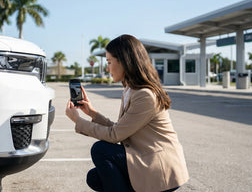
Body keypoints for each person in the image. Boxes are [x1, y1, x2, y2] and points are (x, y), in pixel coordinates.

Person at [65, 34, 189, 192]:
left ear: (124, 61)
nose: (107, 68)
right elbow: (122, 129)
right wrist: (92, 113)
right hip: (144, 157)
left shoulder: (145, 95)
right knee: (95, 177)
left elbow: (115, 135)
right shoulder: (130, 90)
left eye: (109, 62)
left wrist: (78, 121)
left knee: (101, 150)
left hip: (160, 166)